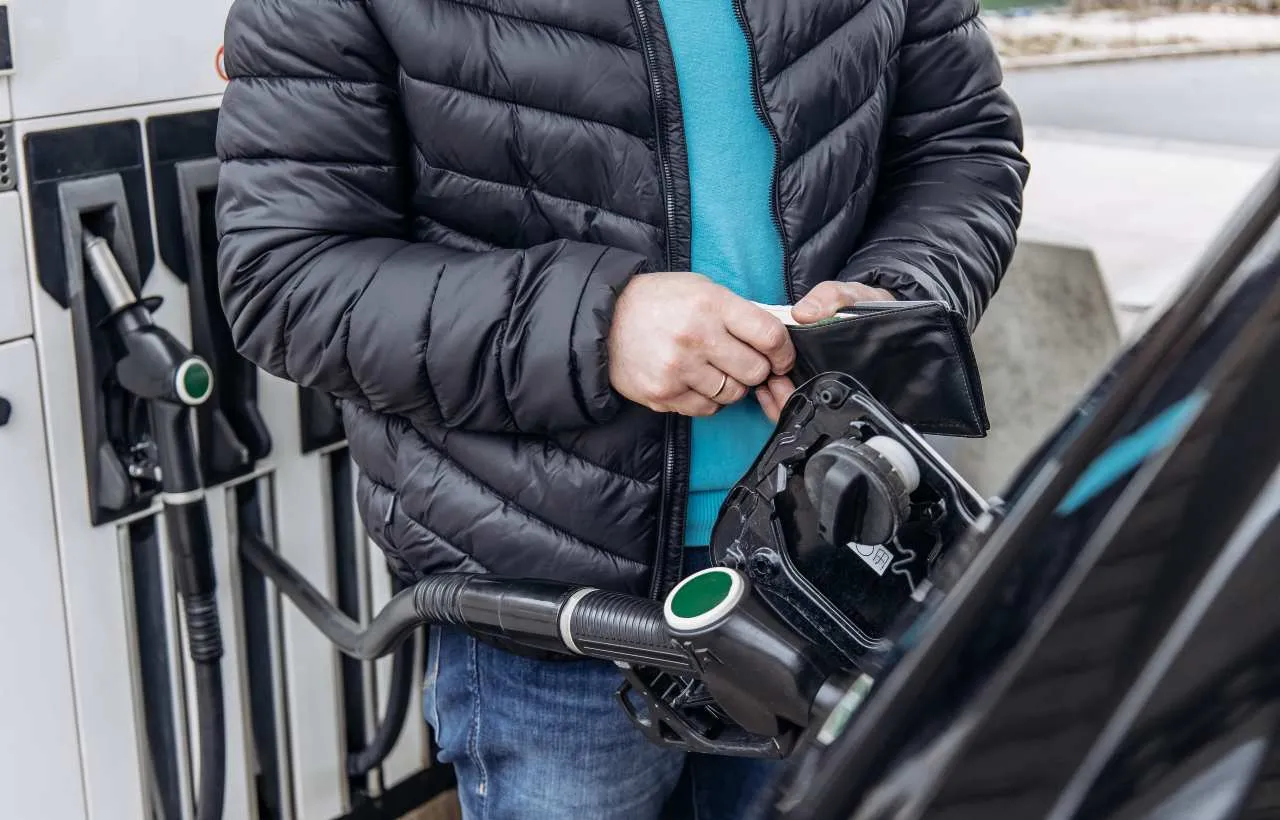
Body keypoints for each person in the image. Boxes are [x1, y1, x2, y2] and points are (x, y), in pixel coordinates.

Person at [215, 0, 1028, 816]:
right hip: (556, 610)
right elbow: (286, 277)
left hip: (844, 556)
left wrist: (895, 298)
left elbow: (963, 148)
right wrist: (598, 329)